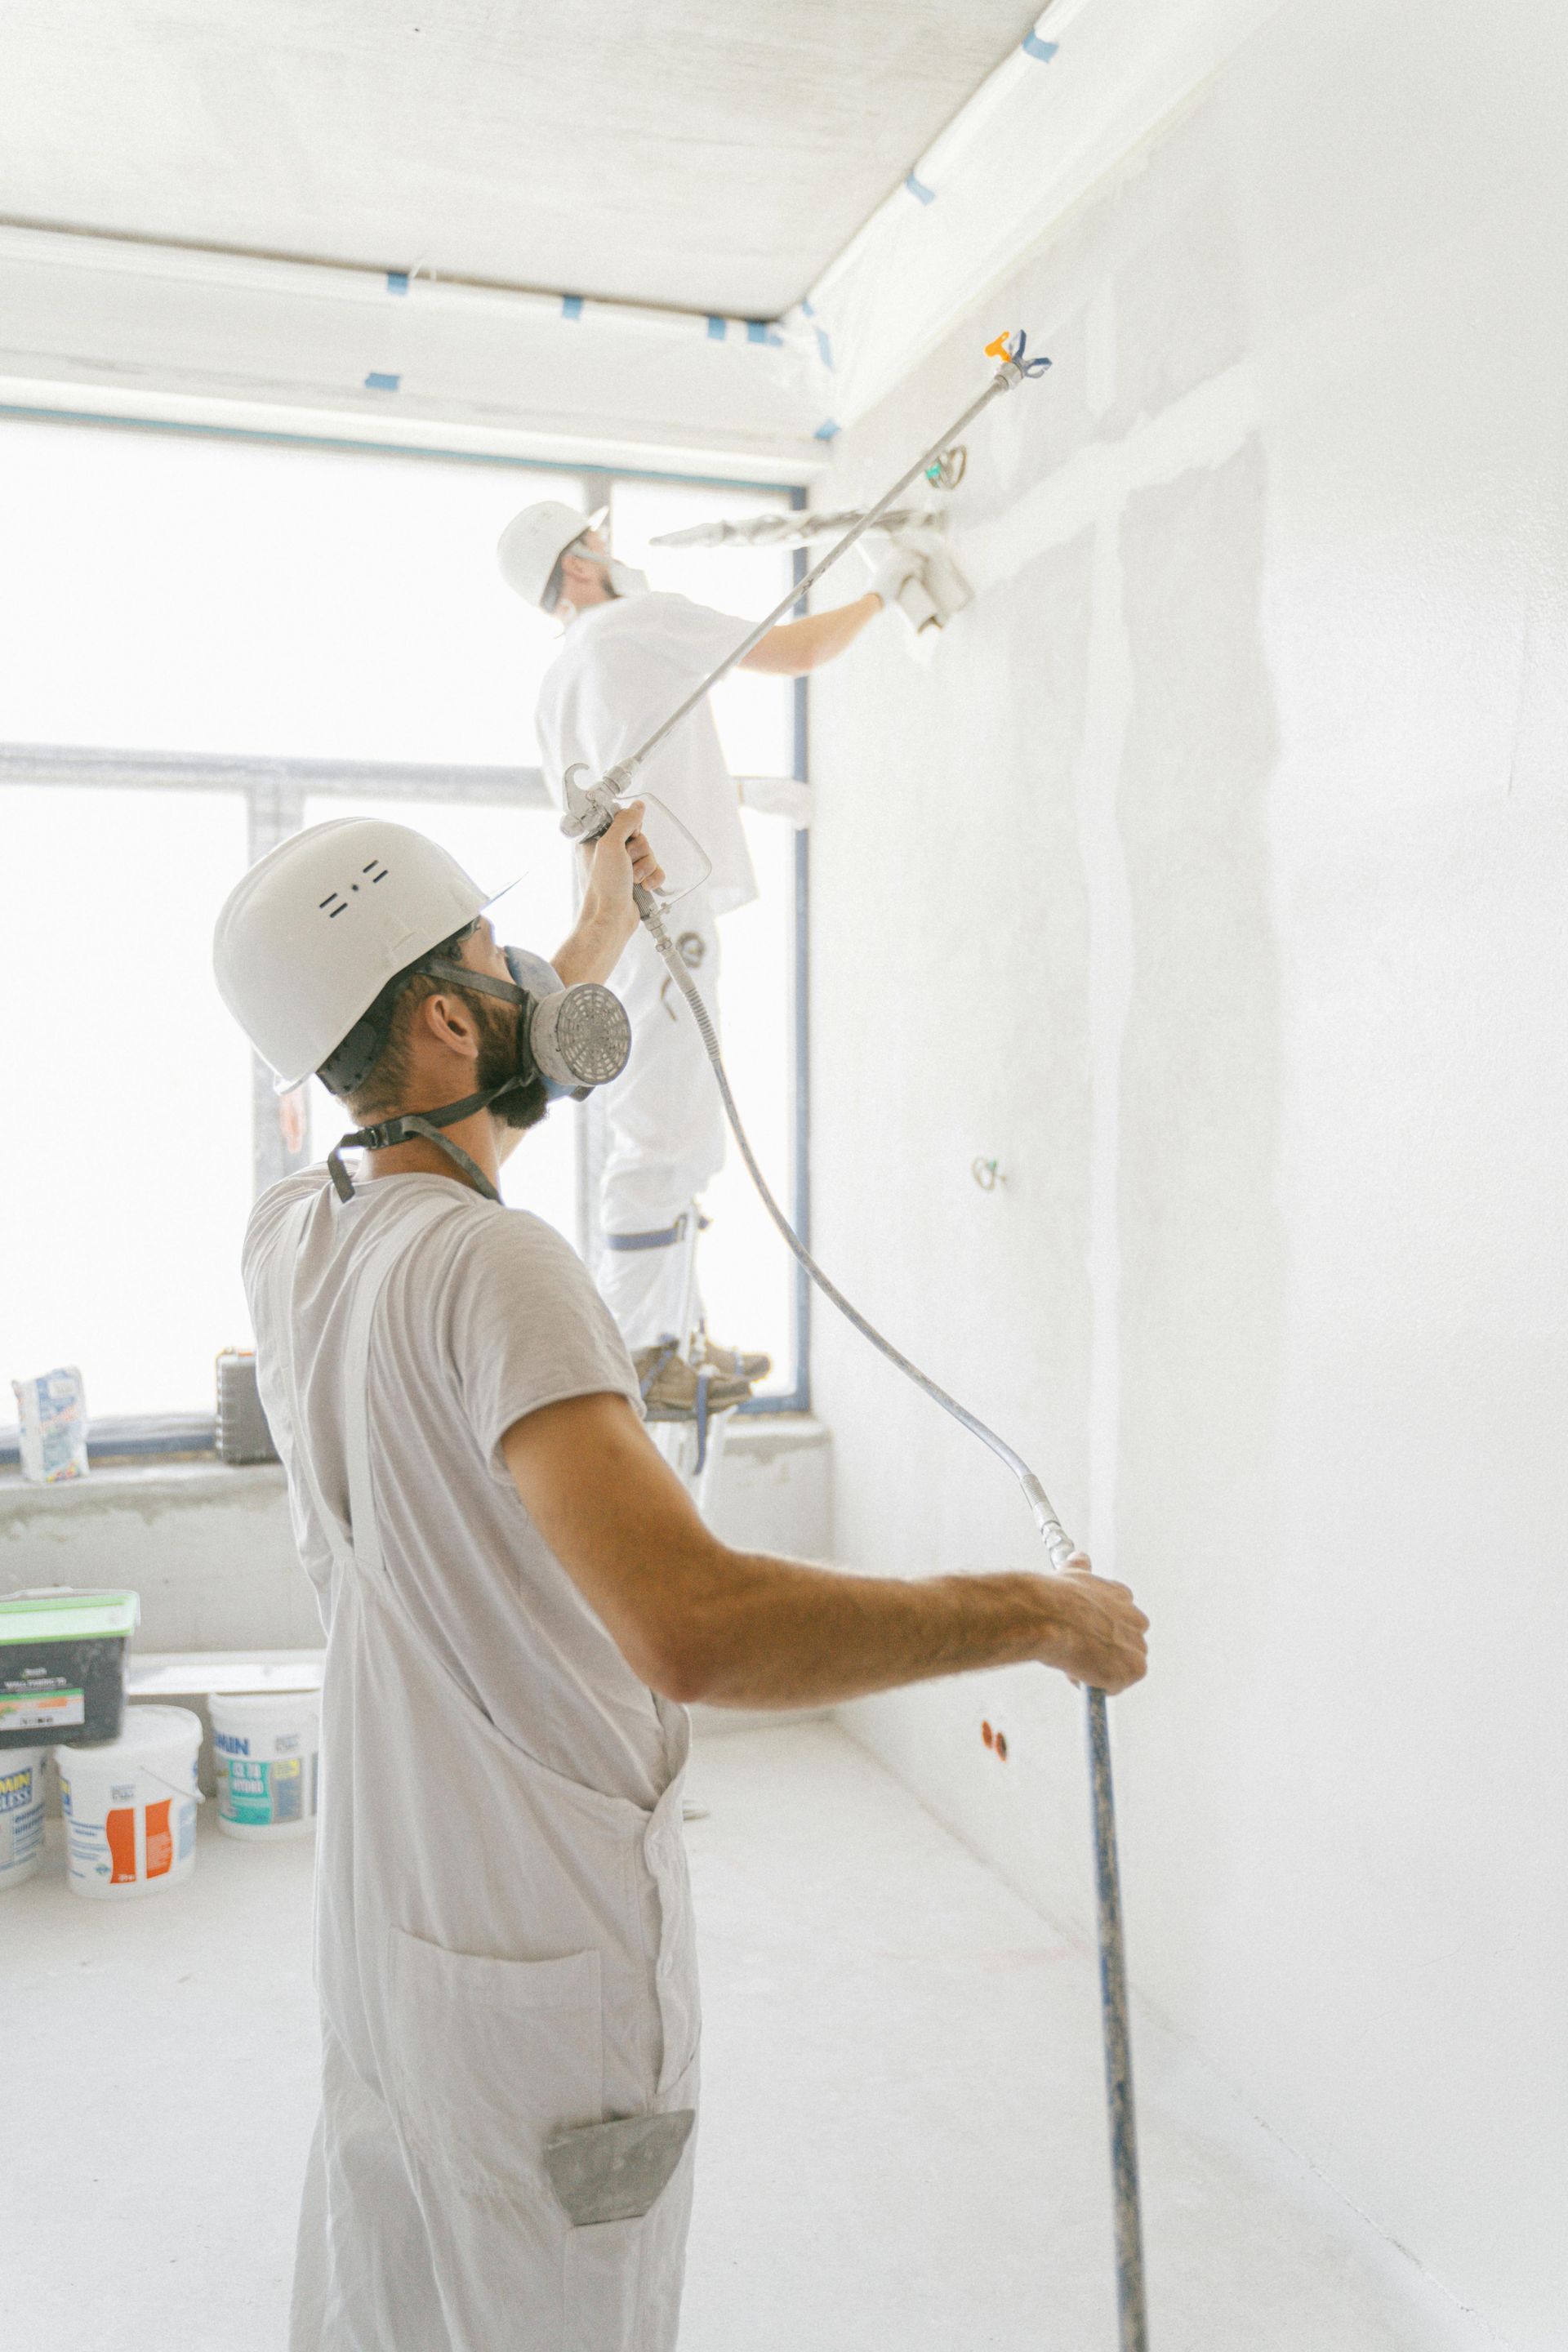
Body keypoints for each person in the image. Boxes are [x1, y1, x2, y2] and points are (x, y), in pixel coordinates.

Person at [211, 808, 1150, 2352]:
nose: (531, 982)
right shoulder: (500, 1271)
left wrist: (593, 928)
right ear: (449, 1015)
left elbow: (486, 1065)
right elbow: (696, 1632)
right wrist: (1036, 1614)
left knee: (398, 2304)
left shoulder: (301, 1239)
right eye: (491, 969)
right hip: (540, 1964)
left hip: (390, 1927)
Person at [497, 499, 924, 1410]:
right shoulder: (634, 621)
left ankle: (674, 1334)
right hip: (667, 908)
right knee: (669, 1130)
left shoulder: (557, 683)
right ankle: (645, 1351)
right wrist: (886, 593)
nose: (610, 551)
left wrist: (740, 793)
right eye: (595, 540)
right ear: (575, 568)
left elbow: (618, 786)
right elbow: (798, 649)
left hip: (630, 914)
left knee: (668, 1125)